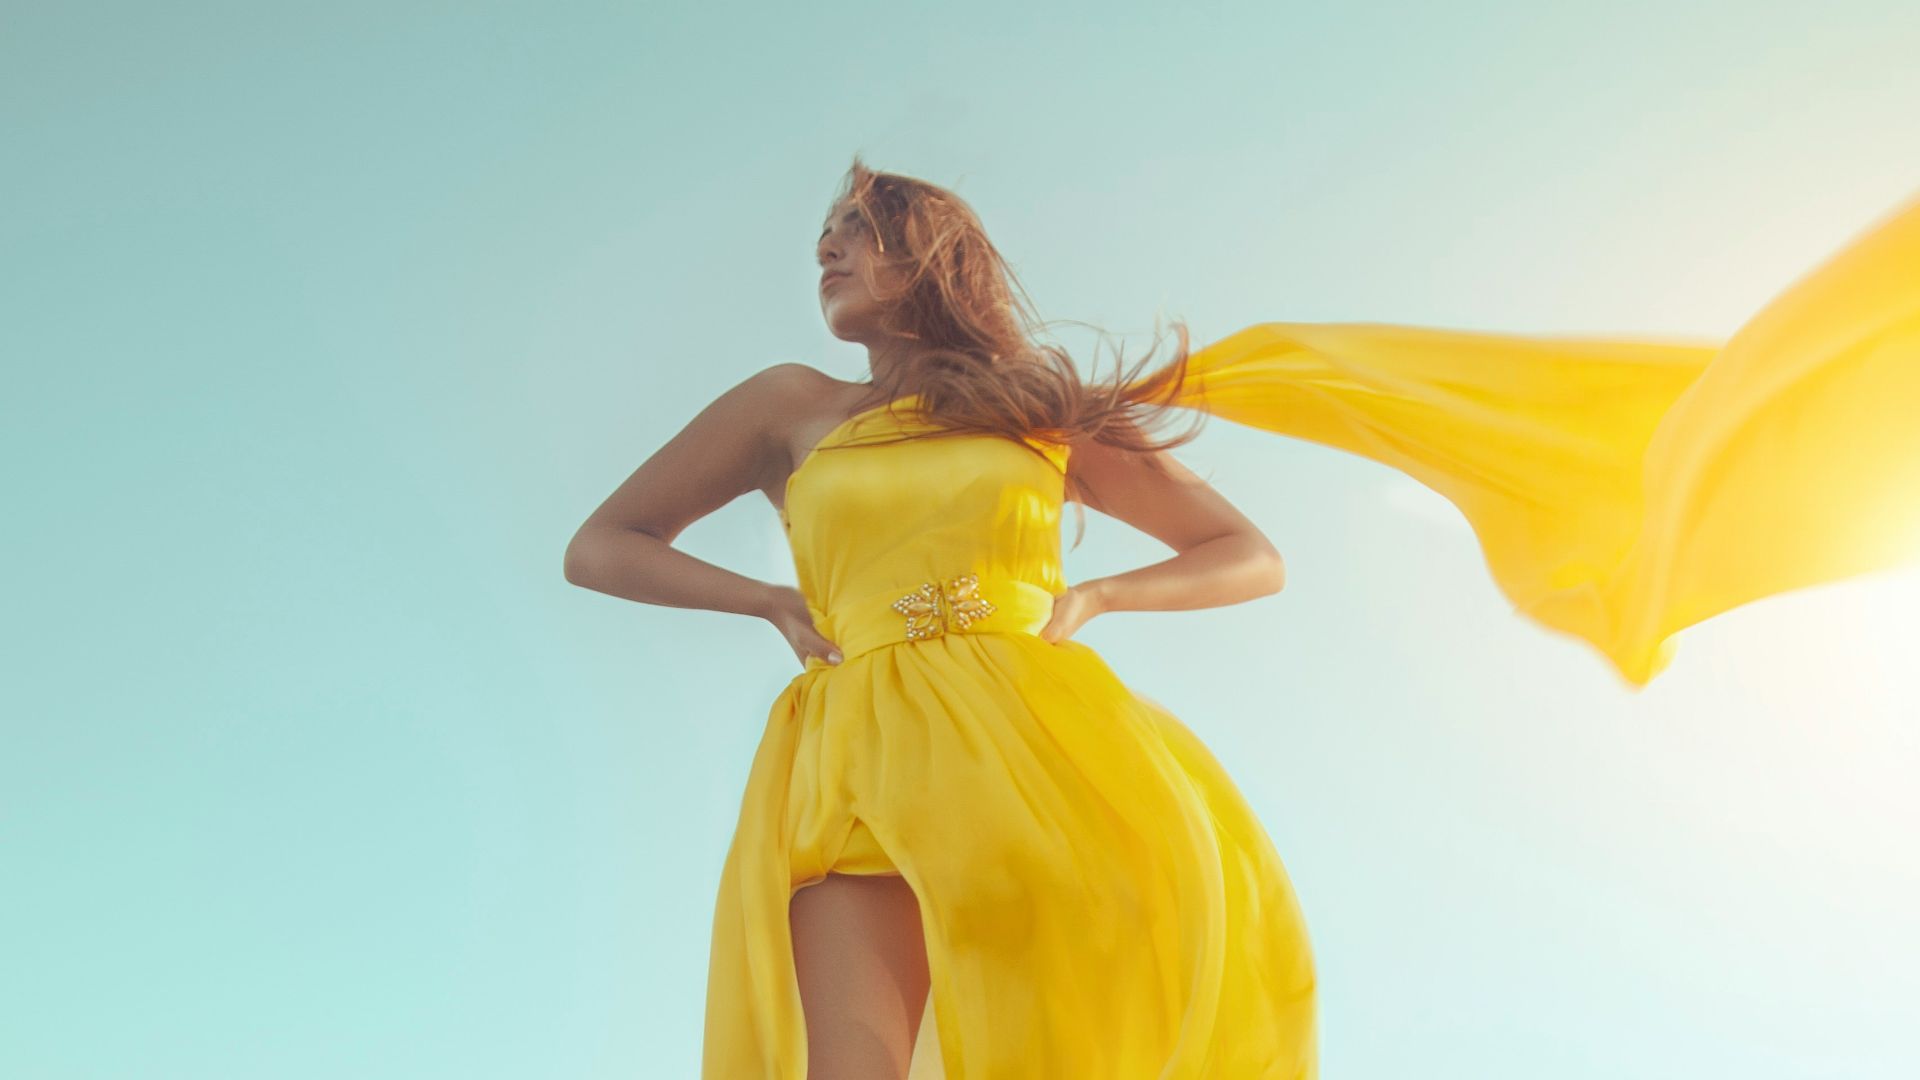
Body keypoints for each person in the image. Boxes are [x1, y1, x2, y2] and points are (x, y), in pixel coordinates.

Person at [565, 157, 1920, 1078]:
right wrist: (773, 604)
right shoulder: (789, 404)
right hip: (849, 742)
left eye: (851, 240)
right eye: (819, 251)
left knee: (1068, 1039)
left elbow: (1242, 551)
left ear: (930, 256)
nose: (825, 264)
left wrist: (1093, 592)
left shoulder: (1033, 404)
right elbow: (602, 544)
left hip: (1040, 750)